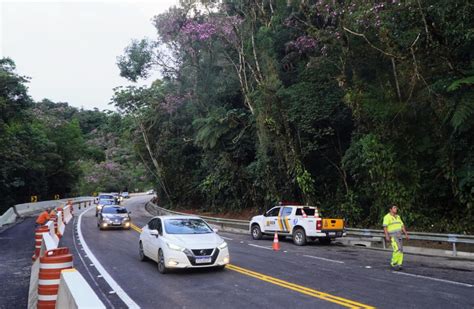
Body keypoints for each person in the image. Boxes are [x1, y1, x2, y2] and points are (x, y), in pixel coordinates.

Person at [383, 205, 409, 270]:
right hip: (393, 235)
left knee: (401, 250)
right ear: (390, 209)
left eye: (396, 208)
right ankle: (393, 263)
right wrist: (387, 236)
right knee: (397, 249)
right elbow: (385, 227)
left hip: (399, 235)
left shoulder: (398, 217)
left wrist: (406, 234)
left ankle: (399, 264)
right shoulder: (387, 217)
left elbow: (402, 226)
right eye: (394, 208)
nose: (396, 209)